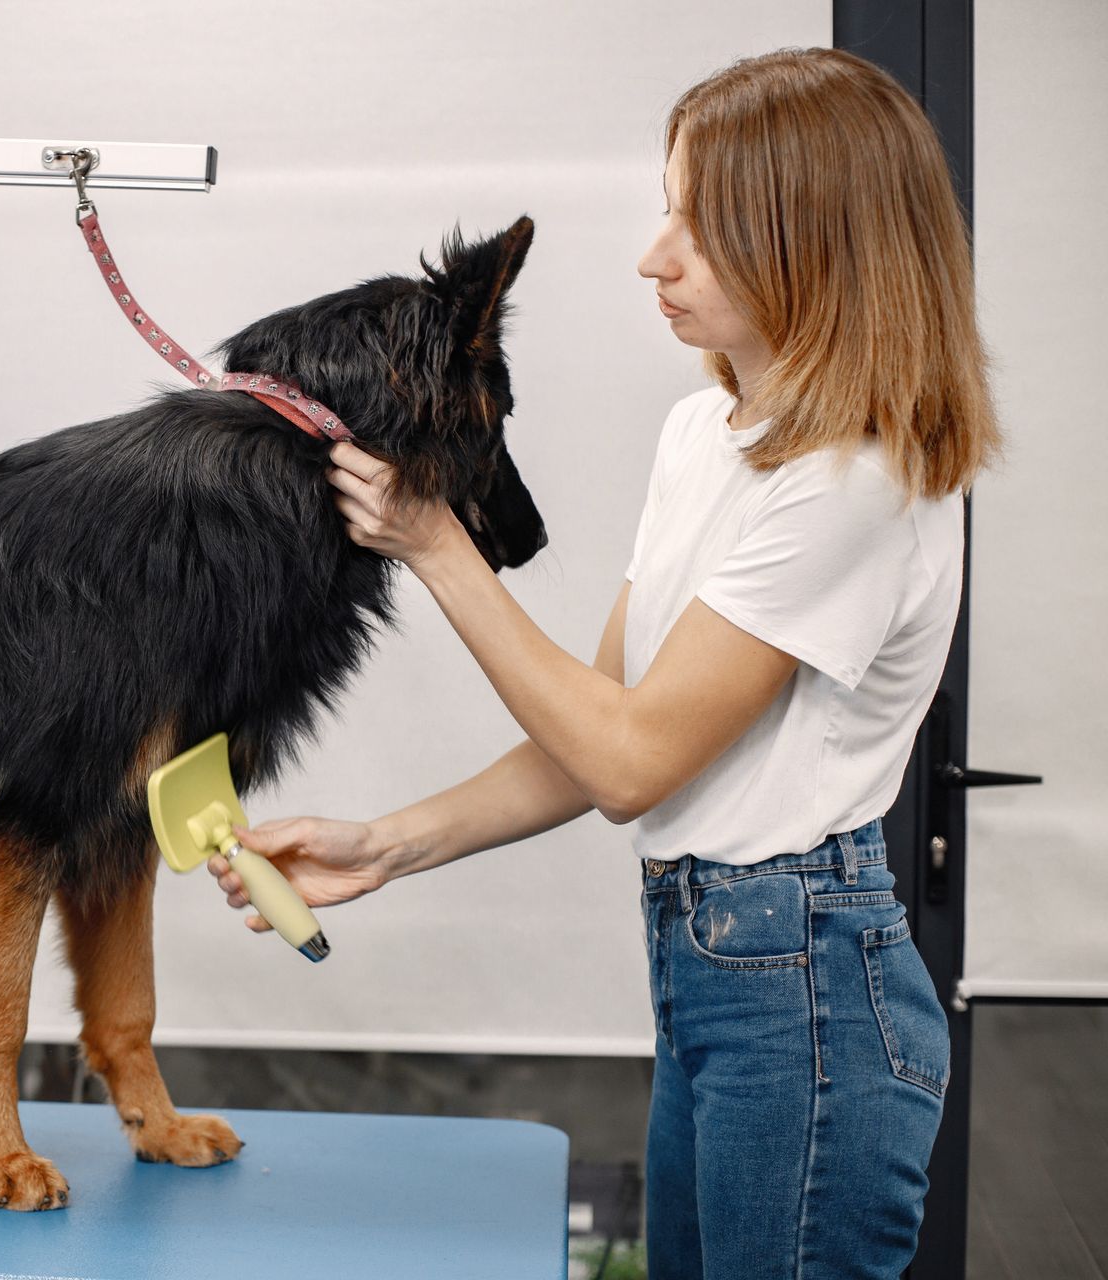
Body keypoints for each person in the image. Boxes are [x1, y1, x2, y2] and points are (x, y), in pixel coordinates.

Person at [207, 47, 998, 1280]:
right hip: (711, 962)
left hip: (806, 997)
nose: (655, 255)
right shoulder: (707, 432)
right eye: (666, 206)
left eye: (702, 224)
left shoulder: (857, 480)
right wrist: (388, 841)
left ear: (816, 244)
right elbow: (600, 726)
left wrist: (433, 539)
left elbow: (630, 761)